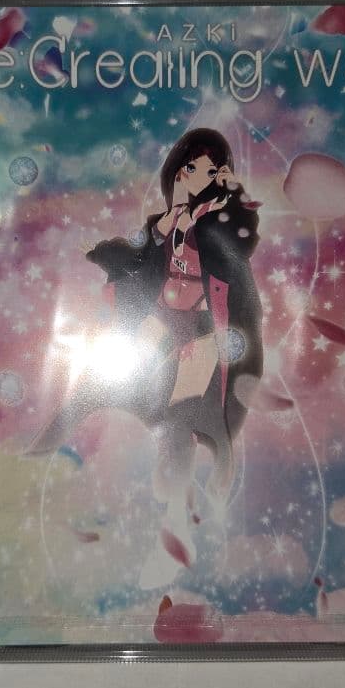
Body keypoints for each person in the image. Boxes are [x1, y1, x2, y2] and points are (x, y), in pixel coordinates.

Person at [31, 128, 263, 587]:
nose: (194, 177)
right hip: (161, 317)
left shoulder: (223, 217)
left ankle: (177, 528)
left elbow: (242, 239)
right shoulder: (169, 219)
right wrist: (103, 252)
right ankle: (38, 456)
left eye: (208, 170)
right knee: (97, 384)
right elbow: (139, 254)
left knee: (181, 417)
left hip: (204, 323)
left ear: (221, 174)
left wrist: (232, 193)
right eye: (189, 167)